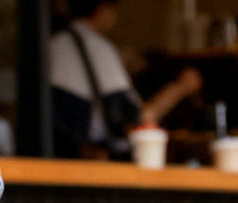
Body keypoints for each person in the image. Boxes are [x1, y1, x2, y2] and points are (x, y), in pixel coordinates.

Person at [52, 0, 203, 158]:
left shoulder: (53, 44)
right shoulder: (97, 47)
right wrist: (181, 87)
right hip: (93, 159)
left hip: (56, 157)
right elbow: (141, 118)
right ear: (103, 8)